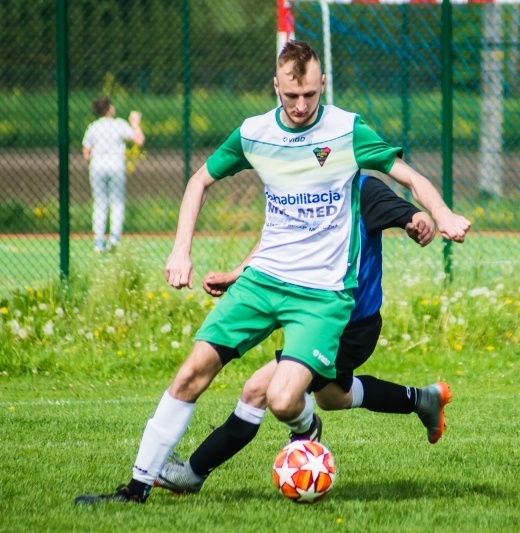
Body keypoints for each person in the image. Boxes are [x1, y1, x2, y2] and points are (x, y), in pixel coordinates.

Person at [74, 40, 470, 505]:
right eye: (290, 96)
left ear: (322, 85)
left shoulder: (346, 130)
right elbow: (200, 180)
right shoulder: (255, 132)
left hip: (323, 294)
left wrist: (440, 214)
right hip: (264, 280)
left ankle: (305, 430)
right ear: (275, 87)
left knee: (283, 399)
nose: (301, 106)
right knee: (191, 372)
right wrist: (182, 251)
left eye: (309, 95)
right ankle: (135, 488)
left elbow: (407, 176)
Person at [153, 174, 452, 495]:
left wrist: (421, 223)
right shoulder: (303, 188)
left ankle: (192, 473)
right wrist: (237, 274)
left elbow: (413, 214)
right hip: (316, 322)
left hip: (348, 328)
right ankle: (424, 399)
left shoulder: (363, 189)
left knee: (257, 389)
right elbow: (275, 241)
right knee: (335, 397)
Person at [82, 96, 145, 252]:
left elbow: (86, 152)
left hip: (97, 167)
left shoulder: (93, 127)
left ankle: (98, 241)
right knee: (116, 202)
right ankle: (114, 239)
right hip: (116, 166)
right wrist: (135, 122)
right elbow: (139, 140)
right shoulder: (118, 125)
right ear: (109, 109)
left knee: (100, 203)